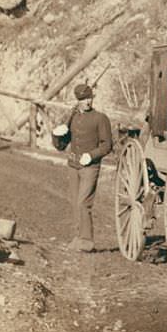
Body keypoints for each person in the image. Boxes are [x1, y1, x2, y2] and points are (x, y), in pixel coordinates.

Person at [51, 83, 113, 252]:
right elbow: (61, 146)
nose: (87, 102)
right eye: (83, 99)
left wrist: (92, 155)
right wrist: (56, 134)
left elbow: (107, 145)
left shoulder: (100, 118)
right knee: (75, 203)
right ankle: (77, 237)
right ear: (77, 100)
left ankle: (86, 241)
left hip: (90, 167)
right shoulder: (73, 117)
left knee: (83, 203)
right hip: (73, 165)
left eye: (89, 98)